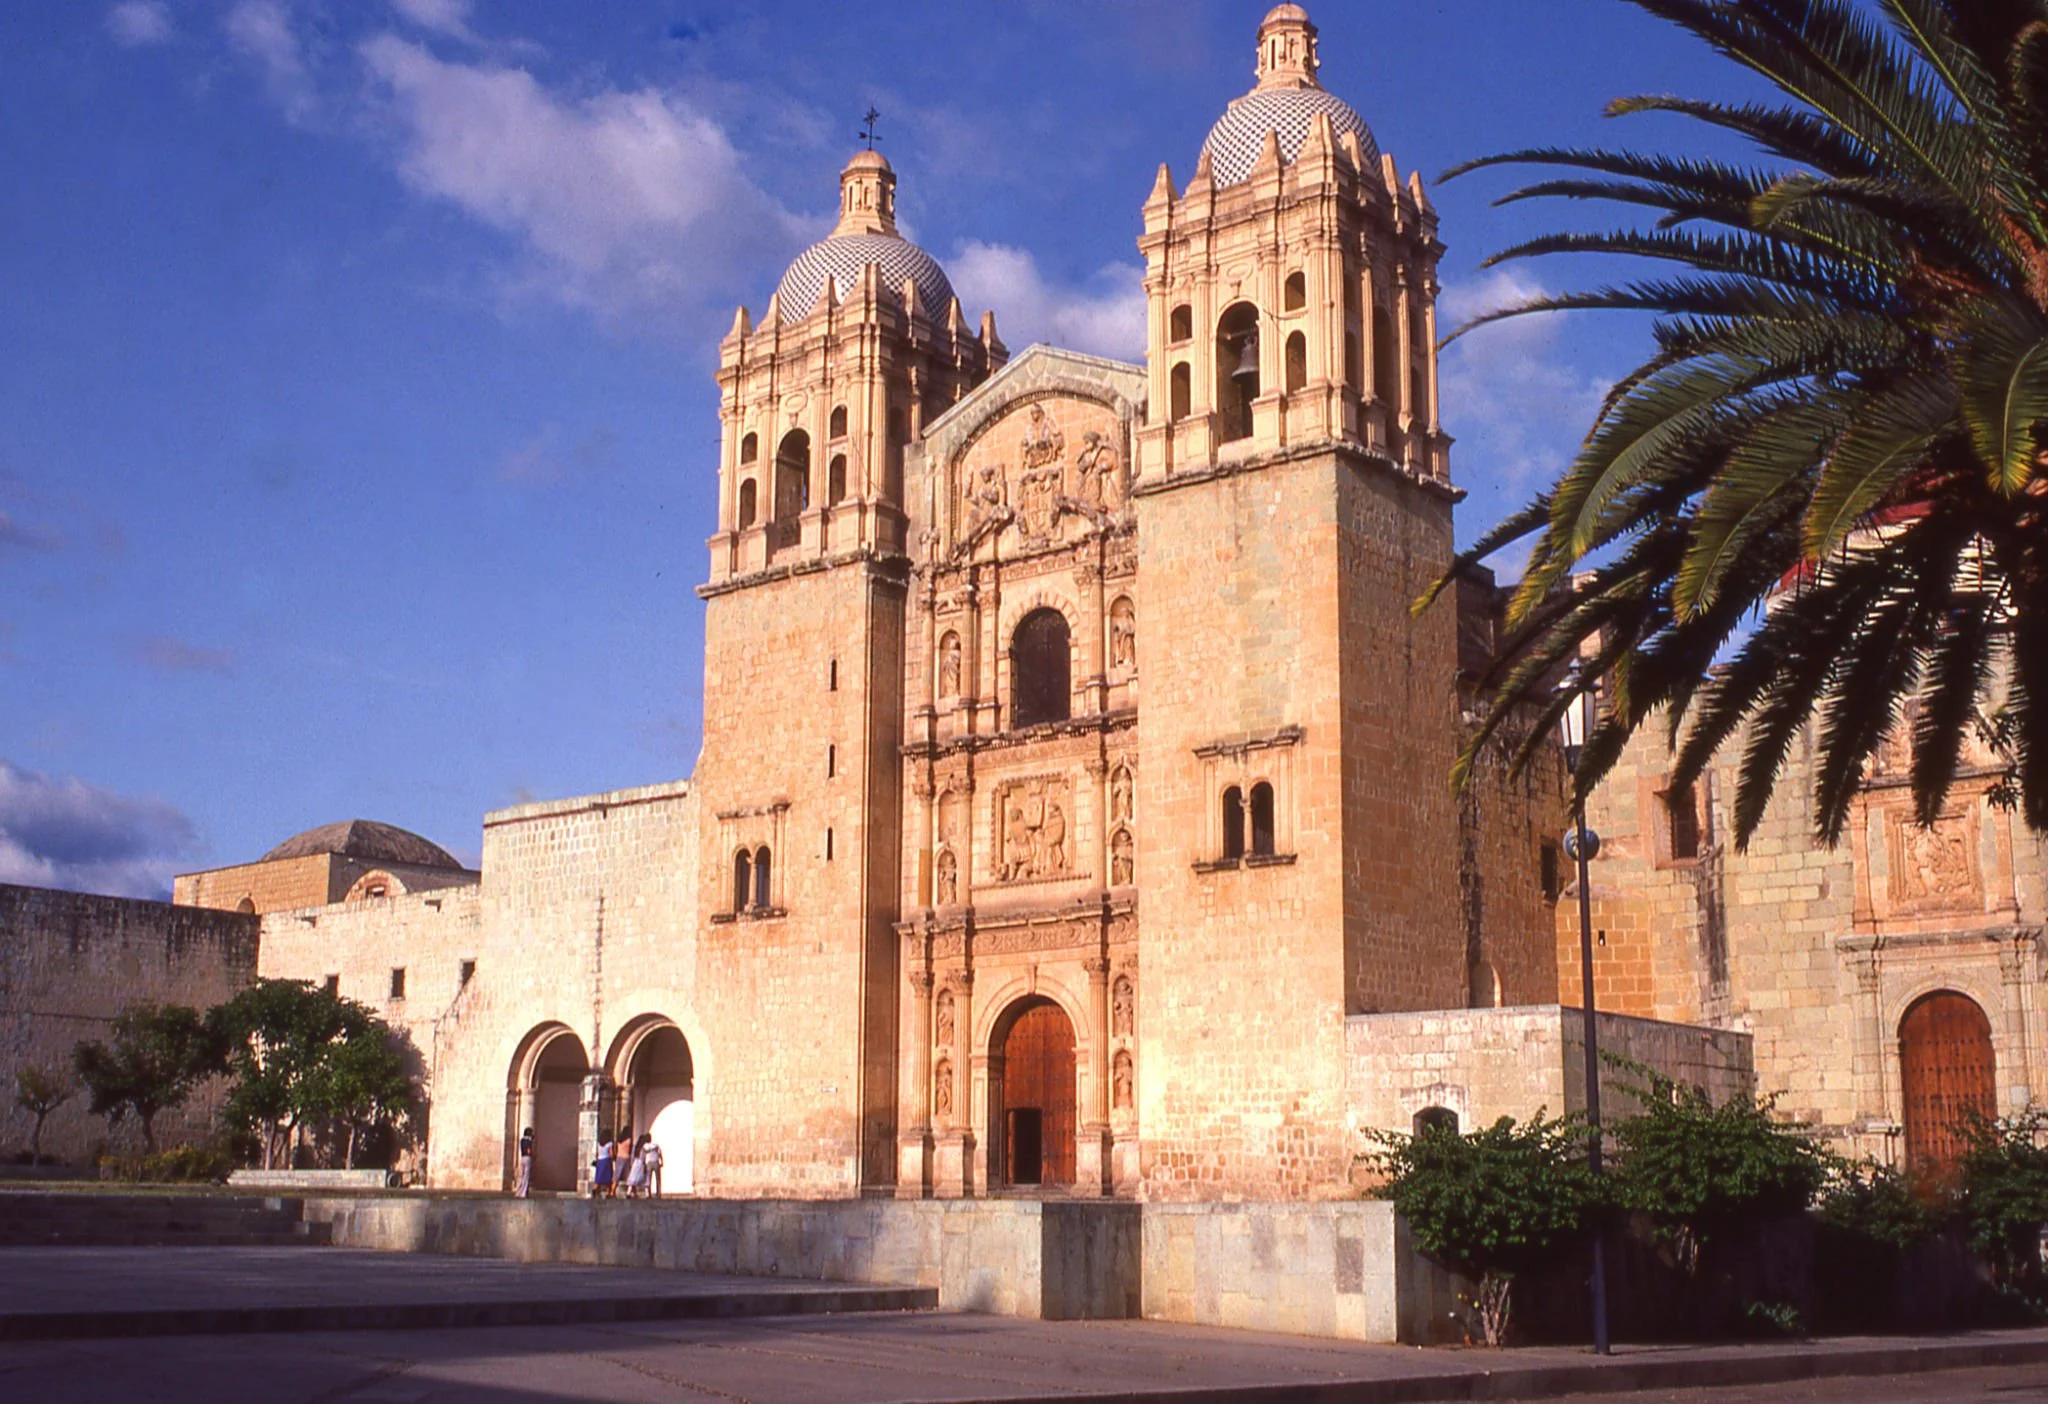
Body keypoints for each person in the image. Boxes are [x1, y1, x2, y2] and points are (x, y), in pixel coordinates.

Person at [624, 1134, 649, 1199]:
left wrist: (632, 1163)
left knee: (633, 1177)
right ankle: (647, 1194)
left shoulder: (635, 1147)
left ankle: (628, 1192)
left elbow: (632, 1156)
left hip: (635, 1162)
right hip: (641, 1163)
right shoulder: (644, 1148)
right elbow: (643, 1157)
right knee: (645, 1178)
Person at [591, 1132, 613, 1199]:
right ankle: (608, 1192)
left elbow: (597, 1153)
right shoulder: (609, 1144)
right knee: (608, 1177)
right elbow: (611, 1153)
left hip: (600, 1160)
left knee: (599, 1176)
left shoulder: (599, 1144)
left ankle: (595, 1189)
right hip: (606, 1160)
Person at [514, 1127, 534, 1198]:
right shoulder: (529, 1141)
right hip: (527, 1158)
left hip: (522, 1158)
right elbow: (529, 1150)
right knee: (526, 1176)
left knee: (521, 1175)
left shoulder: (522, 1140)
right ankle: (523, 1193)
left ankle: (518, 1192)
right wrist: (532, 1154)